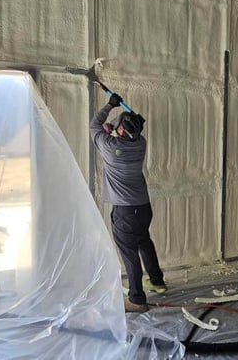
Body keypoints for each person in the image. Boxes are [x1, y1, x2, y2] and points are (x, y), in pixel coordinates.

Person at [90, 92, 166, 313]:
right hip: (143, 208)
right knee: (144, 241)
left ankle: (137, 299)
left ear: (121, 130)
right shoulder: (140, 143)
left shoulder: (109, 145)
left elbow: (96, 125)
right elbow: (114, 129)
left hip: (125, 212)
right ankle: (157, 281)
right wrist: (121, 119)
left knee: (129, 254)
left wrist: (110, 105)